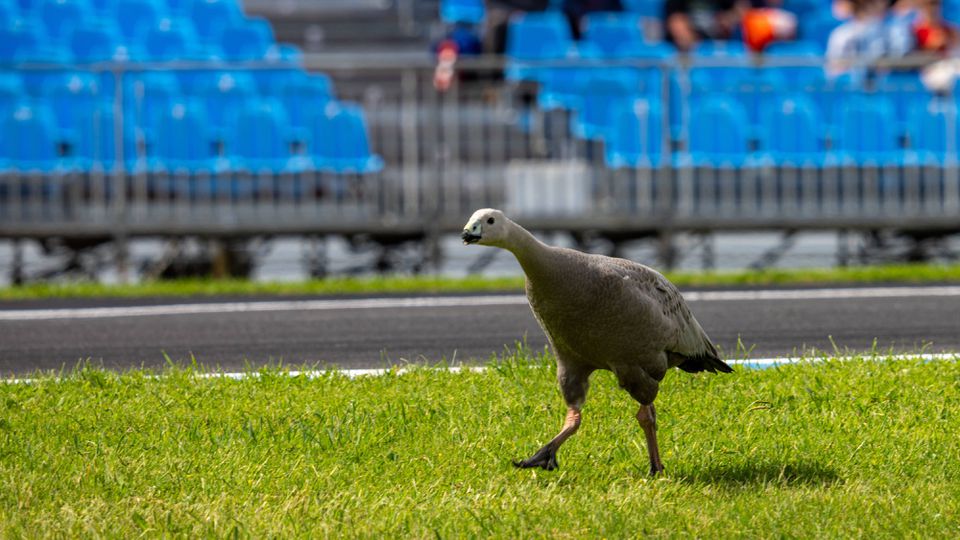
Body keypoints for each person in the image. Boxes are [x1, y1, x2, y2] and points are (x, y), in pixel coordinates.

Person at [825, 0, 914, 75]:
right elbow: (833, 71)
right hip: (854, 88)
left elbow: (903, 61)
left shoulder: (897, 28)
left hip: (891, 86)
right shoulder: (841, 34)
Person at [663, 0, 758, 52]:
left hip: (720, 47)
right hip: (687, 50)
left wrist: (729, 18)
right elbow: (675, 22)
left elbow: (741, 10)